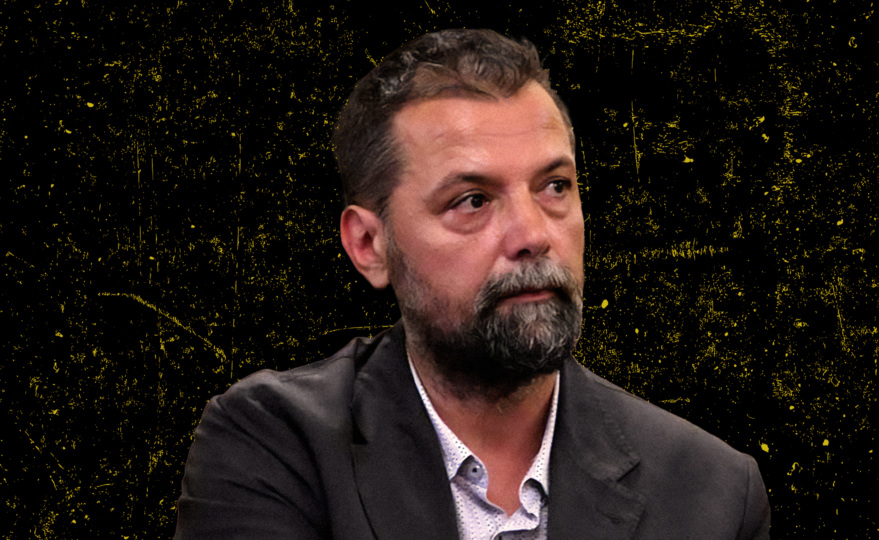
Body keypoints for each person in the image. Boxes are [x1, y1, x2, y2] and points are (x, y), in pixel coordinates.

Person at [174, 28, 771, 539]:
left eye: (555, 187)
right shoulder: (273, 446)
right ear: (369, 245)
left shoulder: (713, 492)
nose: (532, 235)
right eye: (473, 200)